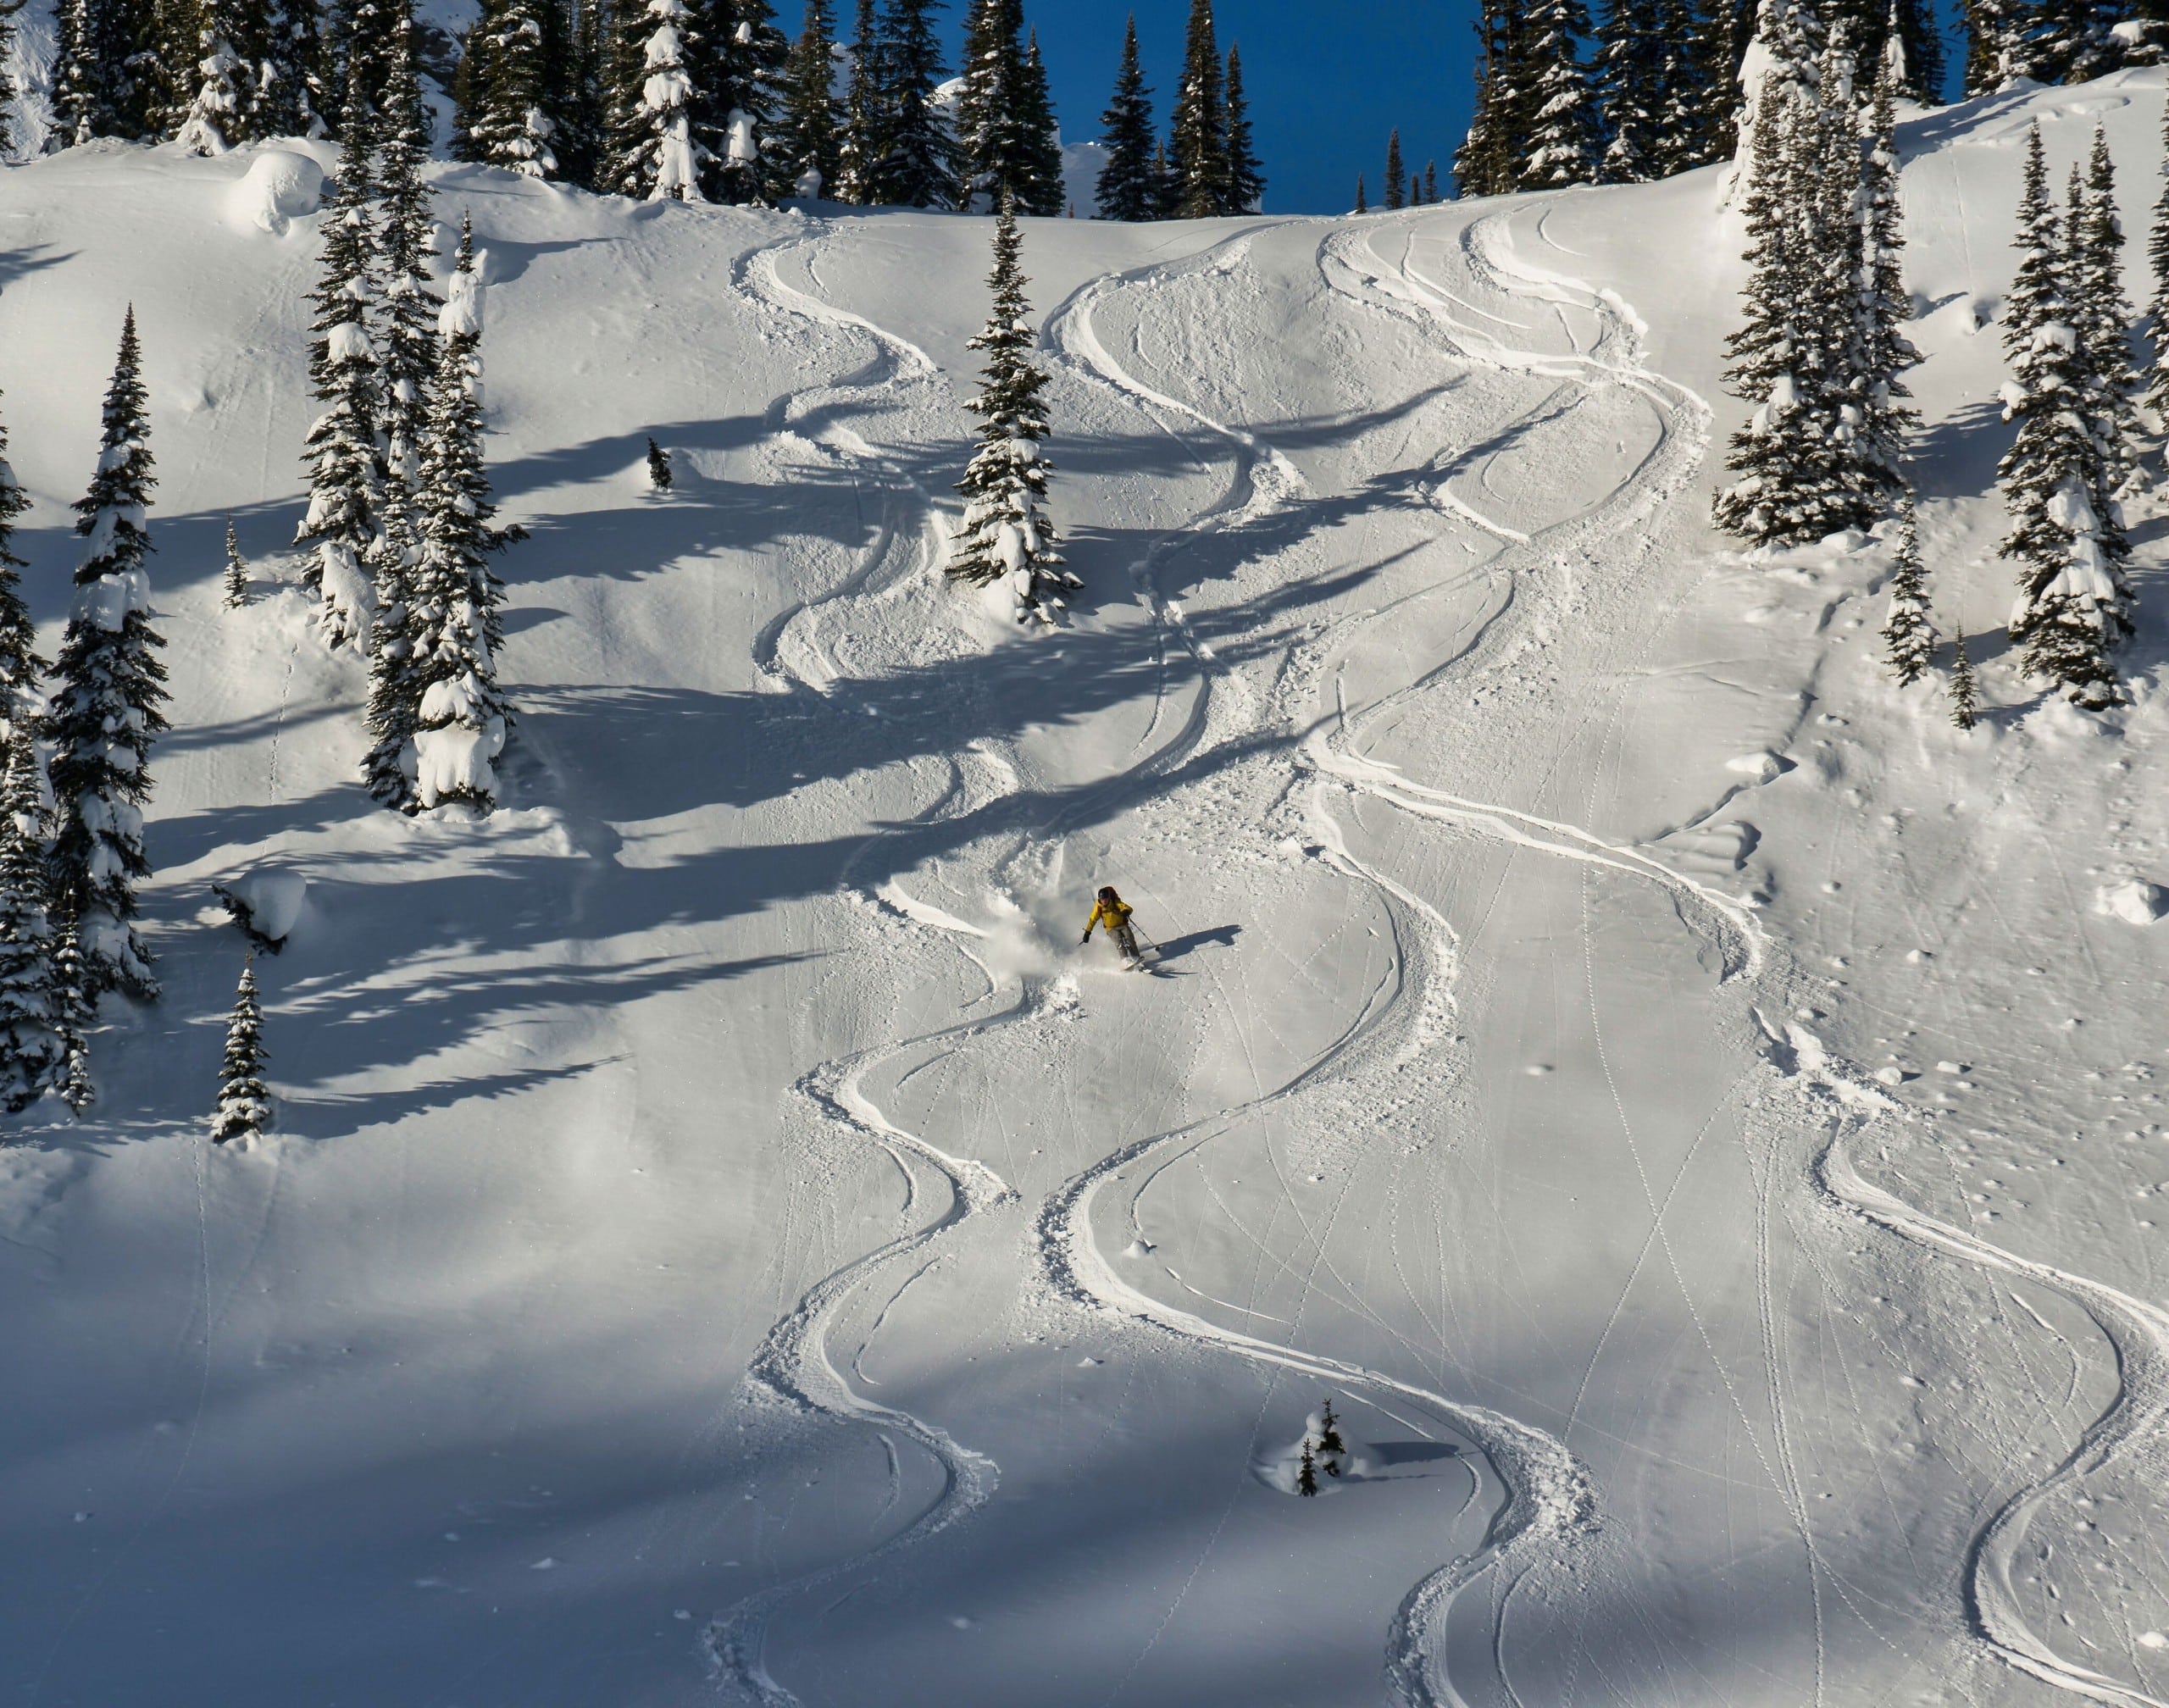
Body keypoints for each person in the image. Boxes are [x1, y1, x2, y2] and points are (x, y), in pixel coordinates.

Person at [1080, 885, 1141, 962]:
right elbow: (1092, 919)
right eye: (1102, 899)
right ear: (1100, 899)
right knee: (1119, 941)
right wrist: (1087, 932)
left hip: (1122, 924)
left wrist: (1126, 911)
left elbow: (1127, 907)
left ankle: (1136, 957)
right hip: (1111, 928)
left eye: (1106, 898)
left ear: (1109, 898)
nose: (1104, 901)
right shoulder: (1098, 907)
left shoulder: (1115, 902)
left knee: (1130, 938)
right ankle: (1125, 960)